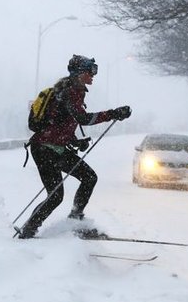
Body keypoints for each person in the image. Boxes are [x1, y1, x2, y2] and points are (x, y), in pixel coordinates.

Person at [18, 54, 132, 239]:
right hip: (44, 149)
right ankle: (28, 231)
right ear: (79, 73)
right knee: (55, 195)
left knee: (89, 177)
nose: (93, 75)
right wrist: (113, 113)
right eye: (90, 71)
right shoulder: (68, 91)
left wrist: (74, 141)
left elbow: (59, 122)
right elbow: (83, 119)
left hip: (57, 148)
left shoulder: (73, 91)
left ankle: (75, 218)